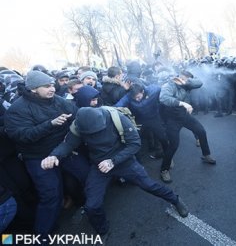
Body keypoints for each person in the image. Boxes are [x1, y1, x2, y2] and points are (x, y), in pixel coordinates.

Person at [41, 107, 189, 237]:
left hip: (123, 161)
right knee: (91, 205)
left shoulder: (117, 118)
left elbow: (135, 143)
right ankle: (102, 229)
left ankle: (175, 199)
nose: (94, 136)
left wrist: (113, 161)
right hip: (99, 166)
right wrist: (54, 155)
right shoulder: (78, 125)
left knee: (149, 185)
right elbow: (68, 144)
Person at [4, 70, 89, 238]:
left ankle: (88, 205)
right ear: (33, 89)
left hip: (64, 149)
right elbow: (21, 135)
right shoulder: (17, 109)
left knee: (85, 174)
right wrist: (50, 124)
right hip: (38, 157)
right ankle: (42, 235)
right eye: (47, 86)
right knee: (51, 195)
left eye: (52, 84)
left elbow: (76, 114)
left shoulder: (57, 100)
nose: (52, 89)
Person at [159, 70, 216, 182]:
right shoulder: (169, 85)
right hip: (172, 119)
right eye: (185, 79)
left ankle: (206, 155)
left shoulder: (187, 84)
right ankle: (164, 170)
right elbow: (163, 98)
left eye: (188, 80)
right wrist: (182, 103)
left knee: (201, 132)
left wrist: (186, 82)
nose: (188, 82)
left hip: (184, 116)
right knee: (174, 145)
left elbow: (199, 83)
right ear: (180, 77)